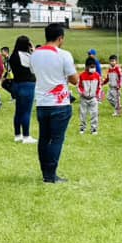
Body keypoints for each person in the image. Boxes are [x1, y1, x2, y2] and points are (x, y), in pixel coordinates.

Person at [30, 24, 78, 184]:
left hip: (42, 102)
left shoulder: (35, 54)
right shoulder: (63, 55)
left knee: (44, 138)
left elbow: (34, 73)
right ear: (60, 38)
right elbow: (74, 79)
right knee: (57, 139)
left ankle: (45, 172)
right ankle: (51, 175)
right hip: (60, 103)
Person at [8, 35, 37, 144]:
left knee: (19, 111)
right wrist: (33, 51)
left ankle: (17, 134)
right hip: (28, 84)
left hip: (17, 84)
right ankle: (26, 136)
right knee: (26, 111)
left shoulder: (13, 56)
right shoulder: (26, 55)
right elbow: (34, 68)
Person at [78, 57, 102, 135]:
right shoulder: (82, 75)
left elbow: (99, 86)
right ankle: (82, 127)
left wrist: (97, 95)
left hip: (93, 97)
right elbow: (79, 86)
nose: (93, 69)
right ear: (87, 67)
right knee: (83, 113)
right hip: (84, 98)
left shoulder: (97, 75)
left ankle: (94, 128)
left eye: (94, 67)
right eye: (91, 67)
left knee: (94, 113)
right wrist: (82, 93)